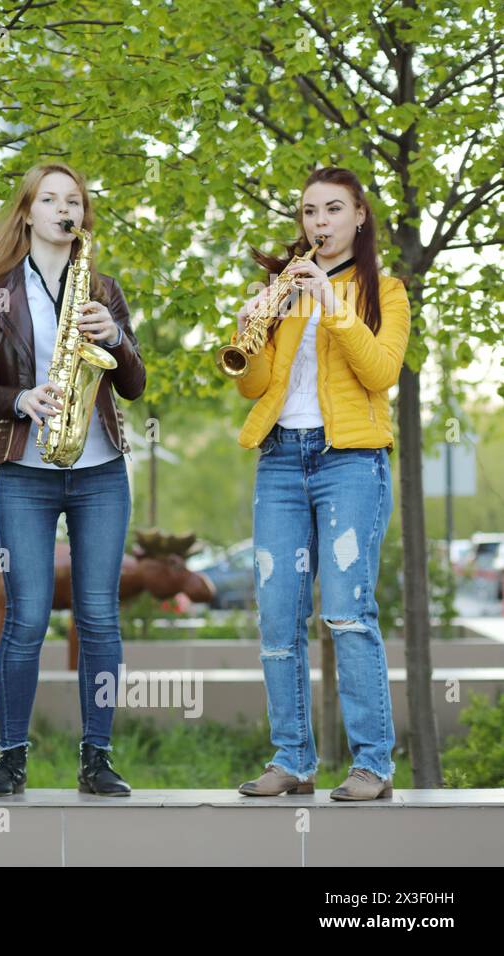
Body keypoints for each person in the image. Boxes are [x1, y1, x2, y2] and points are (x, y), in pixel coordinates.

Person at [0, 163, 146, 797]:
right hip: (26, 472)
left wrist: (116, 335)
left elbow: (134, 384)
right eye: (50, 199)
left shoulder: (103, 286)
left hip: (99, 472)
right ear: (28, 212)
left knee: (98, 619)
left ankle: (97, 757)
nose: (63, 209)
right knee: (26, 618)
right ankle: (11, 758)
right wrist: (22, 400)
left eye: (74, 201)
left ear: (82, 218)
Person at [232, 166, 410, 801]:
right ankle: (293, 759)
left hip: (349, 461)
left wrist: (332, 307)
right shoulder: (283, 290)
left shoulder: (384, 291)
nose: (320, 223)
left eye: (333, 210)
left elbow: (381, 370)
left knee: (346, 614)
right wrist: (252, 328)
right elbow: (252, 387)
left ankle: (373, 766)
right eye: (309, 212)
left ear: (359, 216)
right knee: (278, 618)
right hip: (280, 457)